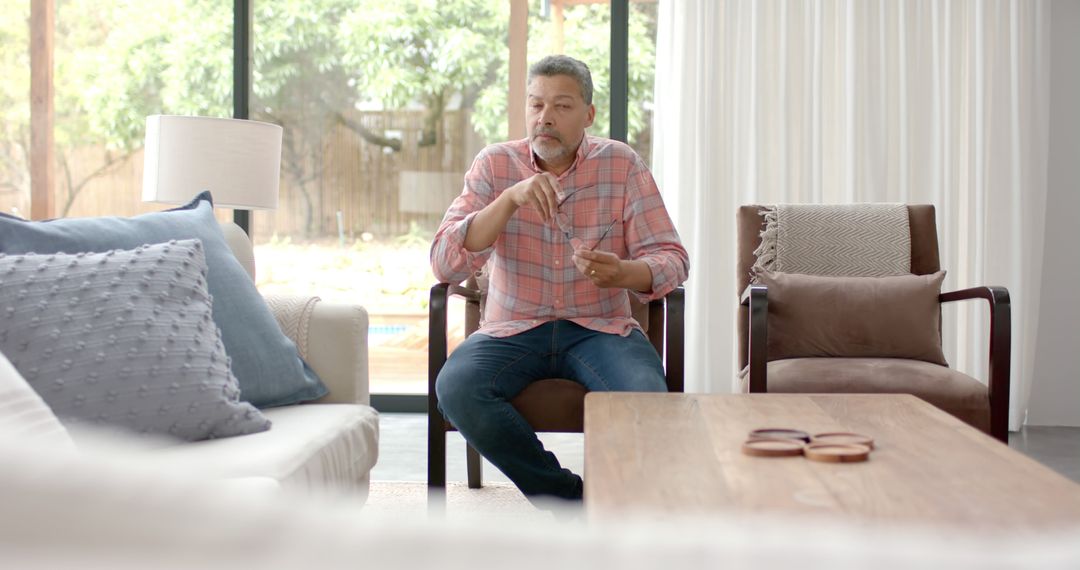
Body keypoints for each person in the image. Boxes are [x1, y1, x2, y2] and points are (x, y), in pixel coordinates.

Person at [430, 55, 689, 503]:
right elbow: (445, 263)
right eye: (535, 105)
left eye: (562, 106)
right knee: (456, 387)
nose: (544, 118)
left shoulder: (621, 165)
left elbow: (673, 257)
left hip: (599, 329)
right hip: (512, 329)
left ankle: (626, 504)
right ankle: (569, 500)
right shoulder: (495, 166)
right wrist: (509, 200)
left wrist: (625, 272)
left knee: (646, 399)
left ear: (588, 114)